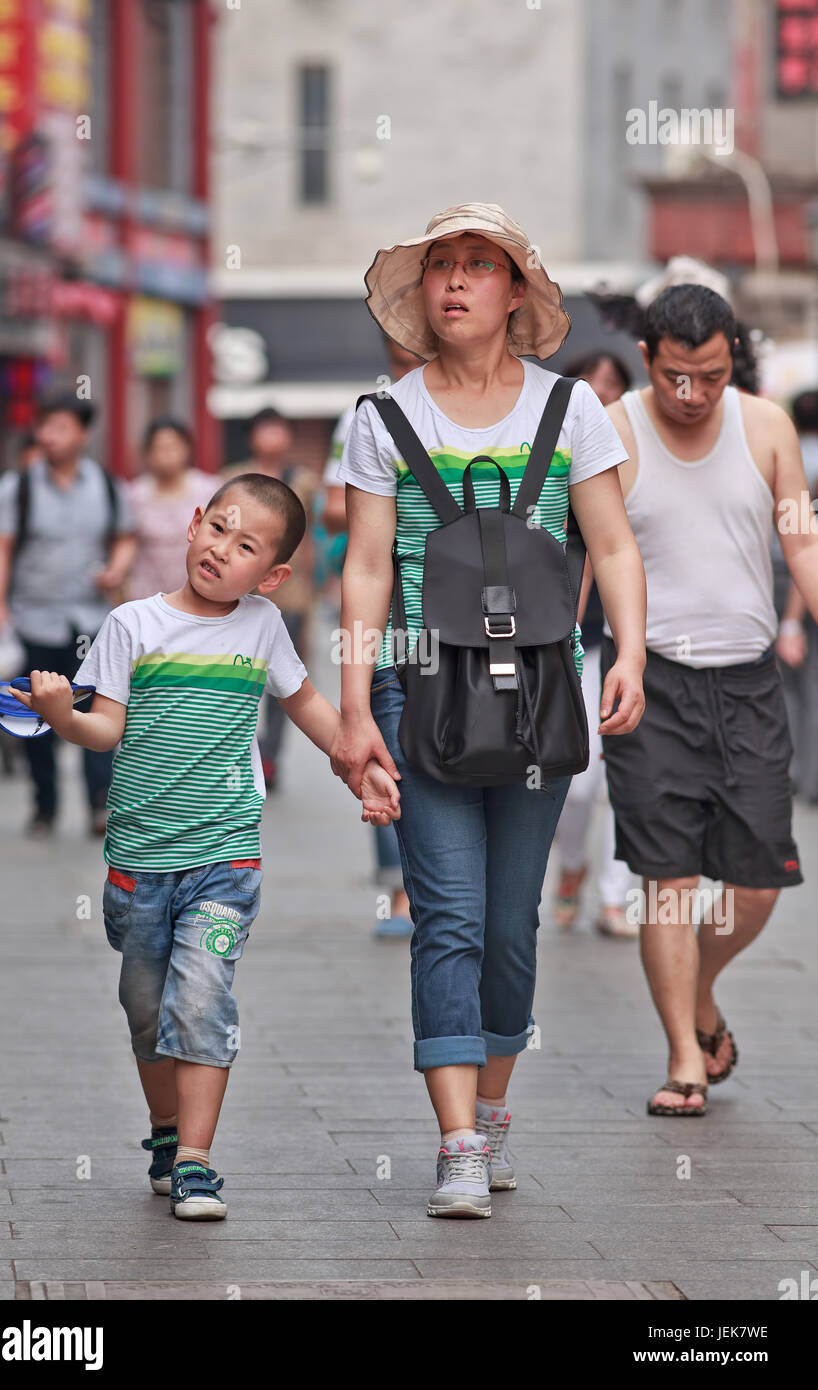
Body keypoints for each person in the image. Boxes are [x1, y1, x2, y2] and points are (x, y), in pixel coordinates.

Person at [330, 203, 646, 1218]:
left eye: (478, 266)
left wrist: (628, 653)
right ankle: (456, 1140)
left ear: (516, 292)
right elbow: (368, 567)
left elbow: (611, 545)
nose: (455, 282)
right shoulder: (379, 418)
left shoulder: (571, 411)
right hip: (415, 680)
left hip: (540, 690)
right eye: (440, 268)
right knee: (448, 920)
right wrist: (351, 706)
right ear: (420, 295)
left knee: (511, 927)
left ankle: (493, 1109)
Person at [8, 472, 400, 1220]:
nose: (223, 548)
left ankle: (195, 1161)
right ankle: (164, 1132)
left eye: (246, 544)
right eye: (217, 527)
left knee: (203, 997)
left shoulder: (262, 629)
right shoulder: (131, 625)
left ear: (274, 574)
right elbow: (106, 729)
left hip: (225, 857)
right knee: (146, 1008)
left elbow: (309, 705)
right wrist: (63, 713)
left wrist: (362, 770)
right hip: (138, 864)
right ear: (192, 524)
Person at [602, 283, 818, 1118]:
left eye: (711, 377)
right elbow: (591, 553)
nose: (691, 396)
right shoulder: (614, 431)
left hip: (750, 682)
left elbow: (799, 536)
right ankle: (684, 1058)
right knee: (669, 880)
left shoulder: (765, 427)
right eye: (676, 378)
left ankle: (701, 988)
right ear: (648, 358)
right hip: (651, 683)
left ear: (732, 361)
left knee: (759, 878)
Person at [0, 394, 137, 837]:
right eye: (44, 427)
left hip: (91, 622)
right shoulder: (20, 487)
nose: (48, 436)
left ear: (82, 434)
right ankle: (44, 806)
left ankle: (99, 805)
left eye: (60, 427)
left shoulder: (108, 486)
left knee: (96, 713)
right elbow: (2, 549)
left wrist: (117, 568)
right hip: (35, 619)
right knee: (37, 717)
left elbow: (125, 537)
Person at [322, 334, 422, 938]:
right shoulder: (365, 415)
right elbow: (335, 507)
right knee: (389, 745)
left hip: (463, 624)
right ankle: (401, 891)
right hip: (387, 617)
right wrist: (382, 507)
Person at [553, 351, 637, 936]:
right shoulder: (550, 451)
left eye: (614, 388)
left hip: (632, 639)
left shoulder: (639, 455)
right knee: (579, 783)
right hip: (572, 643)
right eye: (592, 386)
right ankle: (573, 867)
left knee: (620, 779)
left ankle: (614, 898)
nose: (602, 397)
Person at [222, 409, 318, 789]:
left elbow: (309, 544)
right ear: (251, 435)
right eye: (265, 428)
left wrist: (311, 595)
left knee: (285, 682)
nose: (273, 435)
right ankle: (237, 754)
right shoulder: (233, 477)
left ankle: (270, 758)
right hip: (240, 593)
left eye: (279, 427)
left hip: (291, 595)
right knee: (238, 679)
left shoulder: (305, 481)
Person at [772, 389, 818, 802]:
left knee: (780, 681)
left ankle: (782, 770)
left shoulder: (780, 451)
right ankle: (813, 778)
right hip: (810, 576)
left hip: (773, 575)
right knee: (812, 682)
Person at [125, 418, 215, 601]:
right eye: (159, 448)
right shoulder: (135, 495)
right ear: (148, 453)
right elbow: (128, 542)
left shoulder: (208, 490)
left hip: (198, 593)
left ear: (186, 449)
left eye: (172, 446)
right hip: (148, 594)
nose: (166, 454)